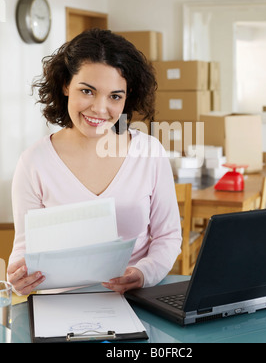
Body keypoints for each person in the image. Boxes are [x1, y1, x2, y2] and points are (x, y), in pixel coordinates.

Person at [7, 28, 182, 296]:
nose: (100, 109)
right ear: (66, 85)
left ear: (127, 97)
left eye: (115, 96)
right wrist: (19, 277)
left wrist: (143, 273)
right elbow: (25, 249)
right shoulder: (34, 162)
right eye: (87, 91)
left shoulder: (149, 152)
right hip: (59, 310)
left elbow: (167, 237)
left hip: (135, 301)